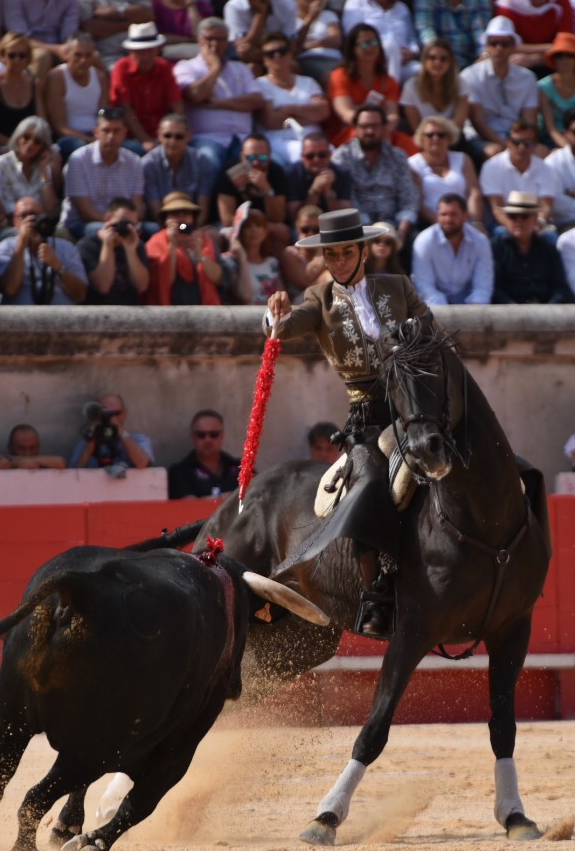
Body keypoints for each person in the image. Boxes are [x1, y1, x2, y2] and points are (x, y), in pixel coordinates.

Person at [262, 207, 437, 637]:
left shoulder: (397, 286)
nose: (339, 262)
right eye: (331, 254)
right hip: (368, 419)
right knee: (370, 483)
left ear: (363, 251)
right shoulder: (318, 299)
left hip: (415, 407)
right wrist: (274, 314)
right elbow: (282, 329)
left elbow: (431, 332)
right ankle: (376, 594)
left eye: (346, 252)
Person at [174, 18, 262, 174]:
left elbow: (256, 100)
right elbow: (196, 95)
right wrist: (215, 68)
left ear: (227, 42)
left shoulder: (241, 68)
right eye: (209, 39)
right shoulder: (186, 67)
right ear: (199, 40)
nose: (215, 44)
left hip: (243, 138)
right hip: (208, 138)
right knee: (209, 162)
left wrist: (218, 103)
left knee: (261, 165)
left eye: (220, 39)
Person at [330, 104, 416, 244]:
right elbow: (347, 201)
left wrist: (401, 232)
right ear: (355, 128)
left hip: (395, 227)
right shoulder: (342, 157)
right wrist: (371, 235)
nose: (370, 131)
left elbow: (409, 199)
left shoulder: (398, 156)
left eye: (375, 126)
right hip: (358, 228)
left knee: (418, 241)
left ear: (384, 128)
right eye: (364, 126)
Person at [458, 17, 537, 160]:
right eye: (493, 43)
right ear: (486, 46)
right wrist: (508, 146)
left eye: (504, 44)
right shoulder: (470, 75)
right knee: (494, 152)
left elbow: (529, 120)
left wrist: (519, 144)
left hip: (518, 137)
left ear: (513, 47)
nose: (499, 48)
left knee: (541, 152)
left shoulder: (527, 78)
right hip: (482, 137)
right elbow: (478, 122)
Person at [58, 105, 143, 237]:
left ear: (125, 133)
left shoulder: (134, 162)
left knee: (153, 230)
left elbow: (136, 206)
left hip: (123, 223)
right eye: (106, 131)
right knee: (106, 232)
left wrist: (123, 224)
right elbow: (85, 211)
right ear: (96, 132)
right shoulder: (78, 160)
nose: (111, 137)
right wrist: (116, 225)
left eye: (116, 131)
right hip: (82, 223)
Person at [0, 194, 89, 303]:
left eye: (35, 215)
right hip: (21, 313)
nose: (30, 220)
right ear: (14, 222)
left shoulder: (67, 248)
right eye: (23, 216)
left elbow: (80, 295)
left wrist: (58, 266)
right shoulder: (6, 247)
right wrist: (21, 244)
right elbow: (9, 289)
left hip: (60, 313)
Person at [326, 22, 402, 147]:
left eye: (374, 42)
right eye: (365, 44)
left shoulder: (388, 81)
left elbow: (392, 115)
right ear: (353, 48)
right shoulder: (339, 76)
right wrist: (371, 126)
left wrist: (383, 128)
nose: (371, 47)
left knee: (409, 145)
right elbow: (346, 113)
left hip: (382, 131)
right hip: (348, 131)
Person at [110, 22, 183, 151]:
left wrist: (178, 135)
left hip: (163, 134)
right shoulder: (121, 68)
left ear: (158, 50)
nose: (146, 56)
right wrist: (145, 140)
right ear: (131, 52)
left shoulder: (165, 67)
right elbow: (126, 110)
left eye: (150, 50)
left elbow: (177, 105)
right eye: (140, 52)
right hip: (132, 136)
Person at [254, 33, 325, 166]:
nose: (277, 56)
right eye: (271, 54)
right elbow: (272, 120)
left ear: (290, 54)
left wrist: (288, 109)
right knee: (301, 154)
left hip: (315, 139)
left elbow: (323, 111)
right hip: (280, 140)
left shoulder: (308, 82)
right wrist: (309, 115)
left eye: (282, 51)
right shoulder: (259, 84)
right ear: (264, 59)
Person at [410, 191, 491, 305]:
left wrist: (473, 310)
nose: (448, 219)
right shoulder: (424, 241)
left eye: (453, 214)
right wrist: (445, 312)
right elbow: (425, 287)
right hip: (435, 307)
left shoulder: (480, 241)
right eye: (443, 214)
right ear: (437, 216)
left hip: (470, 308)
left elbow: (483, 286)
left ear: (465, 216)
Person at [143, 189, 223, 303]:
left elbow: (219, 279)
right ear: (165, 219)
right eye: (175, 214)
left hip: (204, 308)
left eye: (186, 213)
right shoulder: (155, 243)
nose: (181, 218)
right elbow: (160, 283)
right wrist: (172, 246)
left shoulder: (205, 240)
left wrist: (200, 254)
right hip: (169, 308)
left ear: (193, 218)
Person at [491, 190, 569, 304]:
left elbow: (560, 287)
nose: (518, 221)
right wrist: (512, 308)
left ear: (535, 218)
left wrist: (549, 308)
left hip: (545, 310)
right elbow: (494, 288)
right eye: (512, 216)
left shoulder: (548, 248)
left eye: (524, 216)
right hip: (508, 311)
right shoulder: (496, 247)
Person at [480, 117, 557, 227]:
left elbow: (546, 206)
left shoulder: (546, 169)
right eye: (516, 142)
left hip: (536, 225)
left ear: (535, 145)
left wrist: (538, 225)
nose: (521, 147)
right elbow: (497, 208)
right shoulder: (492, 167)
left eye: (528, 143)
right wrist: (515, 228)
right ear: (508, 142)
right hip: (503, 225)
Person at [141, 111, 211, 224]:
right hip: (160, 224)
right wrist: (171, 231)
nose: (172, 142)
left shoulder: (201, 161)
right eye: (167, 136)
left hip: (192, 224)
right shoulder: (148, 164)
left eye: (179, 137)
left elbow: (203, 207)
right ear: (159, 135)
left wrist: (191, 230)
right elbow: (156, 212)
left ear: (189, 137)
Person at [407, 114, 479, 223]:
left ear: (449, 138)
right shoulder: (413, 164)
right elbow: (418, 202)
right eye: (430, 135)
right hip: (429, 223)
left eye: (441, 135)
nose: (435, 138)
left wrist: (475, 221)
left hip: (464, 221)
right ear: (421, 139)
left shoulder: (463, 159)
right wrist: (444, 224)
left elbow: (474, 193)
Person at [212, 131, 291, 227]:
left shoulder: (276, 172)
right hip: (237, 227)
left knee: (282, 230)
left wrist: (267, 190)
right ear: (242, 157)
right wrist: (252, 227)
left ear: (270, 156)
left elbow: (278, 219)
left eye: (262, 157)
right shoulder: (230, 172)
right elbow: (227, 220)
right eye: (250, 158)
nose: (255, 162)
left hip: (264, 226)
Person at [77, 199, 147, 304]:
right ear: (107, 219)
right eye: (123, 222)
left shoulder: (137, 246)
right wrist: (107, 245)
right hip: (97, 309)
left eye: (132, 225)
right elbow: (103, 287)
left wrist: (130, 250)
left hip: (129, 309)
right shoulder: (87, 246)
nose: (127, 228)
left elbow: (141, 286)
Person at [402, 38, 471, 143]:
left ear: (451, 62)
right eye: (432, 58)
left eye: (443, 59)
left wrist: (441, 136)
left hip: (452, 139)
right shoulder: (411, 86)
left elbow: (460, 122)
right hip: (424, 141)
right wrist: (434, 136)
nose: (437, 62)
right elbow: (416, 128)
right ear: (424, 60)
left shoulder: (460, 83)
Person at [537, 33, 575, 152]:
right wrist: (567, 148)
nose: (564, 60)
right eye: (559, 56)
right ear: (554, 60)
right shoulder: (543, 87)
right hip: (551, 139)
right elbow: (551, 127)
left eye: (570, 56)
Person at [166, 408, 241, 498]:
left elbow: (255, 498)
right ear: (193, 437)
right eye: (201, 435)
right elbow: (189, 504)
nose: (207, 440)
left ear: (222, 436)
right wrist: (234, 497)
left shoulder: (242, 469)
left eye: (214, 434)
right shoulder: (179, 473)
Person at [341, 0, 418, 81]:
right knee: (390, 46)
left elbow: (412, 38)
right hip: (371, 60)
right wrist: (384, 50)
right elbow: (352, 36)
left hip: (403, 62)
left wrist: (412, 52)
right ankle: (392, 87)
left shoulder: (401, 8)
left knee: (420, 70)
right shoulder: (356, 3)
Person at [69, 391, 153, 469]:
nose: (109, 418)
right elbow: (74, 474)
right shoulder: (86, 443)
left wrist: (120, 430)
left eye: (116, 413)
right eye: (105, 413)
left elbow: (142, 463)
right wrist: (88, 450)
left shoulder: (139, 440)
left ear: (125, 413)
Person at [494, 0, 574, 72]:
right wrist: (551, 47)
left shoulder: (562, 1)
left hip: (551, 61)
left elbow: (567, 45)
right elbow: (504, 45)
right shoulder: (508, 2)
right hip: (517, 62)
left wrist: (536, 59)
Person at [227, 198, 281, 303]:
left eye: (258, 225)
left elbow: (282, 296)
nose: (253, 230)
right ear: (240, 232)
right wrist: (242, 258)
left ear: (265, 232)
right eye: (248, 226)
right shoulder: (231, 261)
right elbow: (245, 296)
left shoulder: (272, 262)